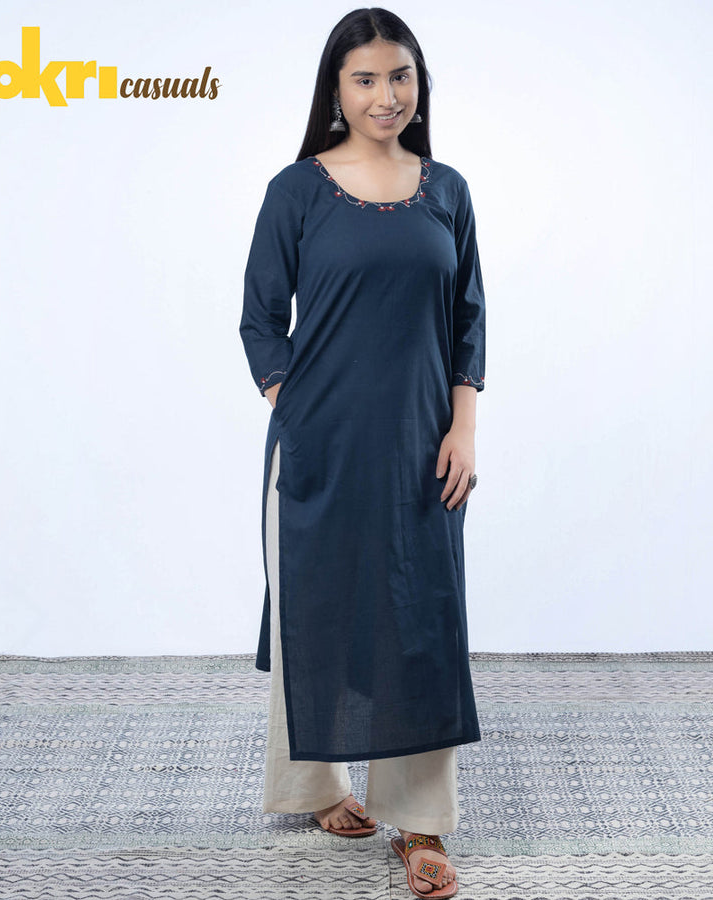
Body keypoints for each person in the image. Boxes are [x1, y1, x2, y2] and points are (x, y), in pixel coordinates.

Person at [239, 8, 486, 897]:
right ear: (336, 91)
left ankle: (419, 823)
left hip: (421, 449)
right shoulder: (296, 191)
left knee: (421, 624)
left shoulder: (446, 189)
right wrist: (296, 405)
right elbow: (260, 319)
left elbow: (468, 320)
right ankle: (316, 788)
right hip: (319, 447)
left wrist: (463, 427)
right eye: (366, 79)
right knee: (315, 611)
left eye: (400, 76)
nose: (387, 95)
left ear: (420, 84)